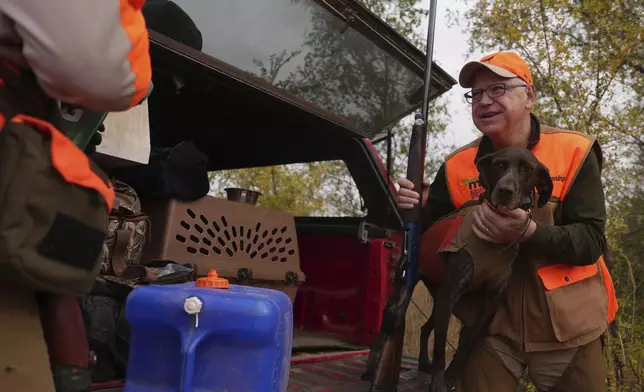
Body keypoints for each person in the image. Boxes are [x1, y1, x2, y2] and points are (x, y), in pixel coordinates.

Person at [397, 51, 618, 392]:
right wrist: (415, 207)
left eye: (498, 89)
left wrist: (529, 233)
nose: (484, 101)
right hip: (490, 331)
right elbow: (429, 240)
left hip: (570, 331)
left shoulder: (575, 150)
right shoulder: (457, 165)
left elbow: (591, 242)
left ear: (529, 95)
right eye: (476, 94)